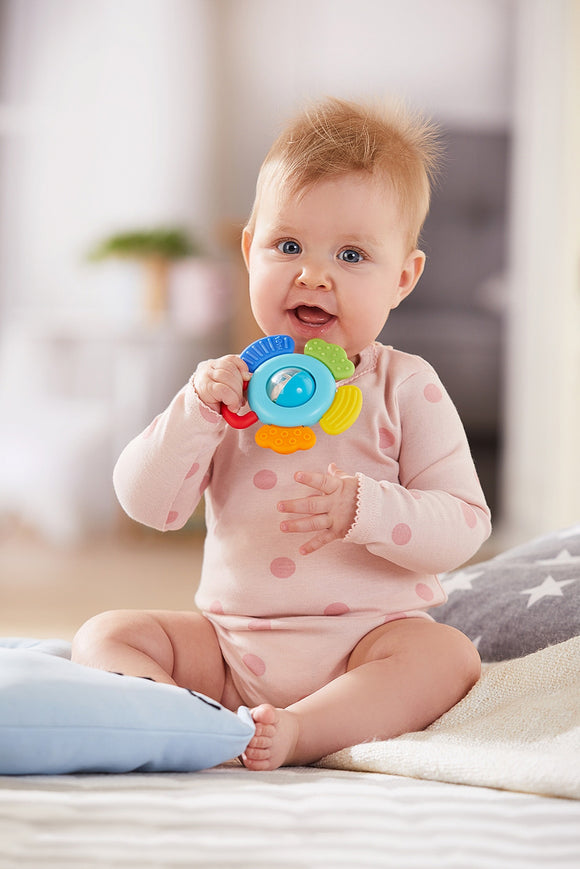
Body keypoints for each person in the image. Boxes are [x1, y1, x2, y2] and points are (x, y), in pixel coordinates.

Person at [72, 97, 491, 770]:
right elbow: (149, 505)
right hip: (233, 650)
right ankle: (192, 720)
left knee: (446, 656)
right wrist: (194, 411)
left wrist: (365, 506)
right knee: (105, 634)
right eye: (288, 245)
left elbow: (466, 525)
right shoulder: (230, 389)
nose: (314, 273)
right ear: (249, 250)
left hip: (366, 646)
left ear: (402, 277)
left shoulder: (406, 386)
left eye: (352, 254)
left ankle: (301, 728)